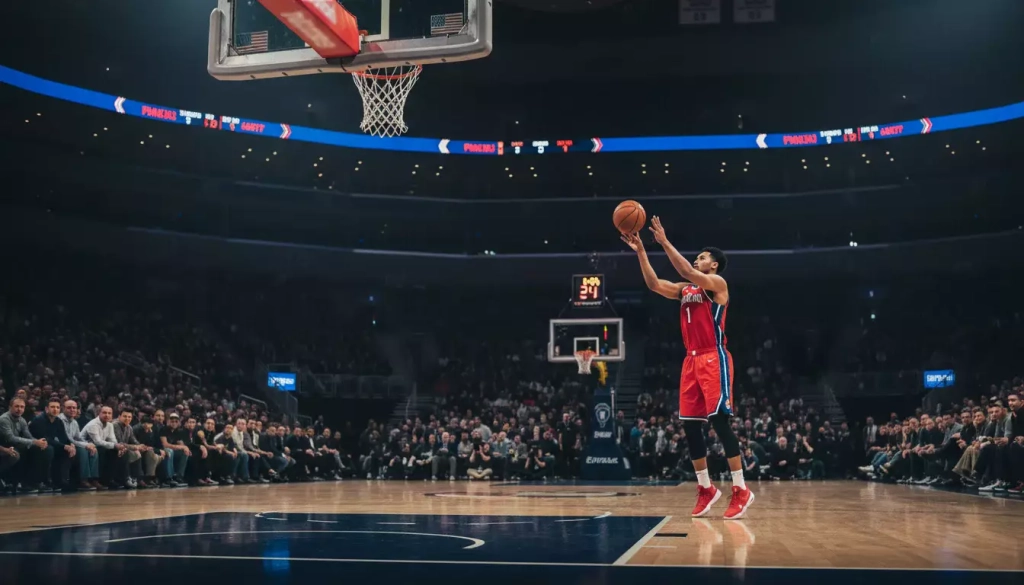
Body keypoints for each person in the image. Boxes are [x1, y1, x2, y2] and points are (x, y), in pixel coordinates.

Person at [622, 217, 752, 519]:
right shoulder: (686, 290)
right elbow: (655, 285)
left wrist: (664, 241)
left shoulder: (717, 285)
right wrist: (641, 250)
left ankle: (741, 489)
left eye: (703, 257)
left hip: (713, 357)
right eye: (698, 256)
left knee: (719, 423)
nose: (698, 259)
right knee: (691, 427)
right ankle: (706, 488)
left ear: (715, 265)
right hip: (691, 360)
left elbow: (686, 270)